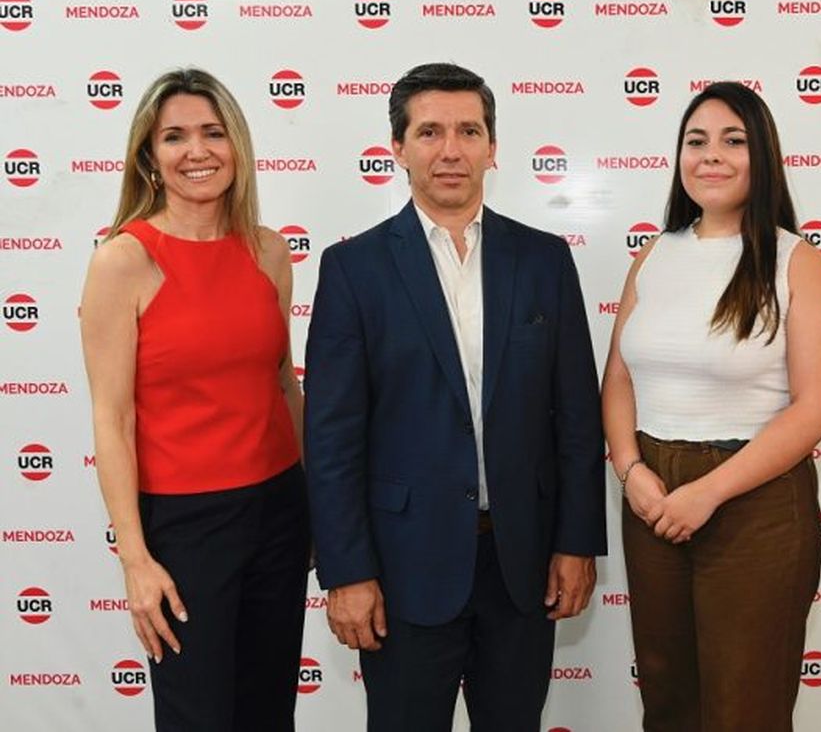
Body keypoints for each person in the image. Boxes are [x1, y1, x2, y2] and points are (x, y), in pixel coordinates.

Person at [304, 62, 606, 731]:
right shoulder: (352, 270)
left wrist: (576, 542)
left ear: (492, 147)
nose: (450, 150)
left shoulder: (544, 261)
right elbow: (330, 440)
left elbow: (578, 419)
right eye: (430, 131)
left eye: (469, 131)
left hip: (521, 565)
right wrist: (346, 573)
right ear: (398, 148)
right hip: (403, 568)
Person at [601, 81, 821, 732]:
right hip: (651, 495)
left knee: (746, 709)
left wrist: (707, 494)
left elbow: (817, 408)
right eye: (696, 141)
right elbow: (619, 377)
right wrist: (632, 472)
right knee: (667, 698)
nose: (711, 156)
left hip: (755, 502)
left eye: (733, 141)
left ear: (761, 155)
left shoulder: (798, 262)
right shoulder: (654, 255)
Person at [80, 68, 309, 731]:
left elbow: (280, 383)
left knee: (268, 713)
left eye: (213, 133)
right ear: (149, 156)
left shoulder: (268, 251)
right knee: (198, 719)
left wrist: (311, 502)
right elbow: (111, 418)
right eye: (174, 136)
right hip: (182, 529)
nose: (197, 151)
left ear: (237, 146)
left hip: (278, 513)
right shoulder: (122, 261)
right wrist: (136, 560)